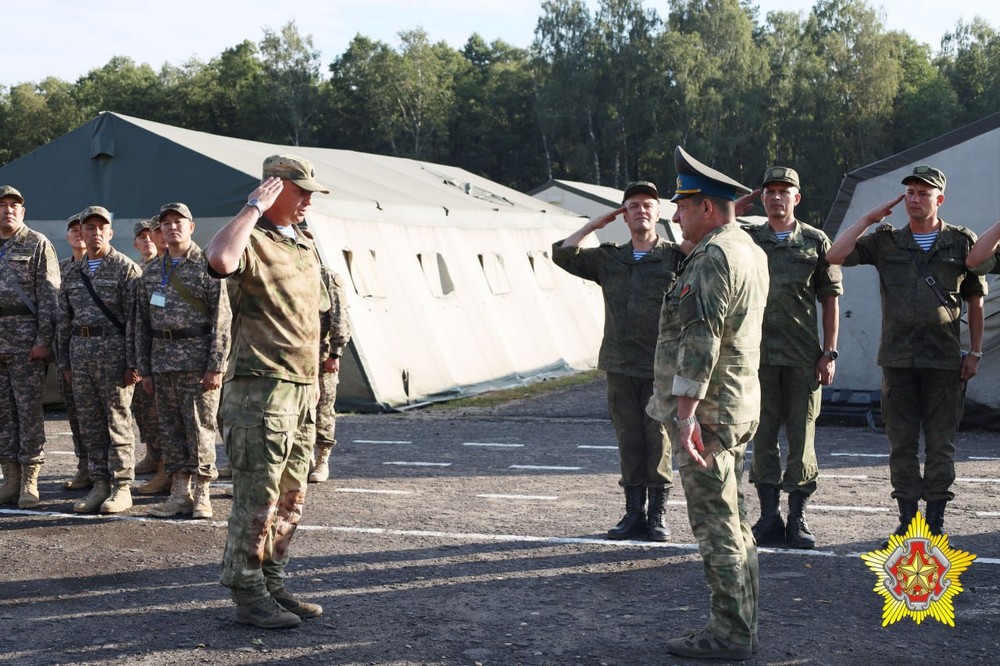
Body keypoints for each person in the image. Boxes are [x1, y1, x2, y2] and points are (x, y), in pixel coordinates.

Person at [647, 147, 768, 660]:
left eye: (682, 206)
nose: (675, 217)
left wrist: (685, 415)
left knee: (716, 525)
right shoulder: (749, 249)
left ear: (708, 207)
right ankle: (742, 624)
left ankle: (729, 635)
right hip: (735, 404)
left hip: (709, 412)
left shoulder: (714, 256)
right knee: (736, 521)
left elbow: (702, 339)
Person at [206, 154, 330, 629]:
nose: (308, 201)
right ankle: (248, 592)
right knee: (256, 499)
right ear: (274, 189)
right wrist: (253, 207)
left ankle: (273, 583)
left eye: (311, 193)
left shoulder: (303, 242)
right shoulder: (251, 238)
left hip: (301, 390)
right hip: (260, 392)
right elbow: (219, 260)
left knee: (291, 499)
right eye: (300, 192)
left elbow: (315, 313)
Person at [827, 165, 984, 541]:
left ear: (939, 199)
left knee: (941, 444)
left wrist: (975, 352)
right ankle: (908, 520)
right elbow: (835, 254)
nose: (914, 199)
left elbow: (975, 301)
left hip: (943, 360)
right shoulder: (887, 241)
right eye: (910, 192)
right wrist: (868, 218)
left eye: (923, 193)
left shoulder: (961, 242)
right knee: (901, 445)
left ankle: (935, 522)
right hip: (898, 360)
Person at [552, 181, 684, 541]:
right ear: (624, 215)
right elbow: (563, 254)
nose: (641, 211)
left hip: (660, 366)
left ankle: (657, 515)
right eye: (633, 206)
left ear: (658, 214)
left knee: (658, 440)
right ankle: (633, 514)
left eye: (647, 205)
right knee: (629, 440)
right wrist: (592, 226)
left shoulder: (675, 257)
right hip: (620, 364)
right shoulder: (610, 258)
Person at [740, 167, 842, 549]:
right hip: (758, 357)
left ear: (796, 198)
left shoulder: (816, 241)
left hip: (803, 358)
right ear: (762, 197)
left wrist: (829, 352)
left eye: (784, 191)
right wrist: (739, 206)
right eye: (770, 191)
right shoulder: (749, 239)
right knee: (763, 436)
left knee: (802, 438)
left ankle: (797, 518)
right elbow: (712, 237)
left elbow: (830, 300)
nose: (777, 197)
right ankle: (769, 517)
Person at [137, 203, 231, 519]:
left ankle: (202, 494)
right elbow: (141, 323)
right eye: (166, 223)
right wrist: (145, 368)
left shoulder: (208, 266)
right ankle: (180, 494)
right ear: (159, 231)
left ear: (191, 227)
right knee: (170, 430)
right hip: (162, 364)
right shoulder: (151, 271)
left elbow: (222, 319)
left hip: (197, 363)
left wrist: (216, 365)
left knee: (200, 429)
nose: (172, 227)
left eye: (179, 221)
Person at [57, 205, 142, 514]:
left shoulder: (125, 269)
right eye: (89, 227)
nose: (95, 233)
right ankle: (99, 484)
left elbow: (135, 321)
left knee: (117, 421)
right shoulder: (71, 271)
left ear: (110, 232)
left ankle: (122, 487)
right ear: (81, 232)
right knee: (90, 423)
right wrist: (65, 362)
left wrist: (134, 363)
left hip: (114, 353)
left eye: (100, 228)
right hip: (80, 353)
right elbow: (64, 320)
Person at [0, 185, 60, 509]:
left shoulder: (37, 243)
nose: (8, 210)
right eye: (2, 205)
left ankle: (29, 479)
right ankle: (9, 477)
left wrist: (43, 340)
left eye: (14, 205)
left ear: (23, 212)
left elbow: (50, 297)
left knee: (28, 413)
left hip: (26, 344)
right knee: (3, 414)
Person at [131, 217, 168, 495]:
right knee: (145, 409)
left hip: (173, 351)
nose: (149, 240)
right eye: (142, 237)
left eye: (151, 234)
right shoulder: (141, 271)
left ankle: (168, 467)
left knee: (166, 414)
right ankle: (154, 455)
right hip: (148, 350)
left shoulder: (170, 267)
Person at [309, 265, 351, 483]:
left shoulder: (327, 277)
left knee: (323, 408)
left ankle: (322, 458)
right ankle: (304, 458)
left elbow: (339, 316)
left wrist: (335, 353)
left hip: (322, 354)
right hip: (297, 354)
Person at [58, 212, 91, 491]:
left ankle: (107, 470)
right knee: (76, 414)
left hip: (102, 352)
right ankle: (85, 466)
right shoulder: (60, 269)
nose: (78, 233)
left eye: (82, 228)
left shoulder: (109, 266)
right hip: (70, 351)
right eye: (73, 229)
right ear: (67, 236)